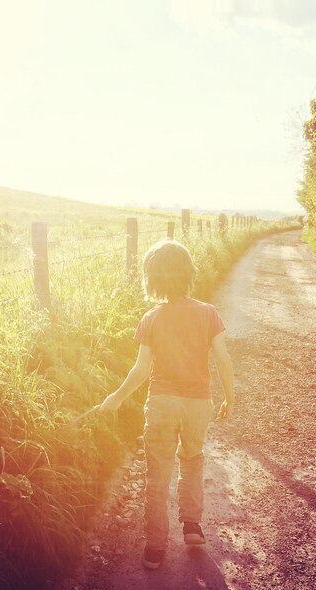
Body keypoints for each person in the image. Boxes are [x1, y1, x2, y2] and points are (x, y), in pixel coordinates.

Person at [98, 238, 234, 570]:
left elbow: (141, 370)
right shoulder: (208, 313)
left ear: (152, 278)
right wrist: (230, 396)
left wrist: (116, 397)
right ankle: (191, 526)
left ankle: (155, 547)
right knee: (192, 460)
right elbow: (223, 360)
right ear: (189, 273)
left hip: (161, 404)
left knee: (157, 475)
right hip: (198, 403)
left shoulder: (152, 317)